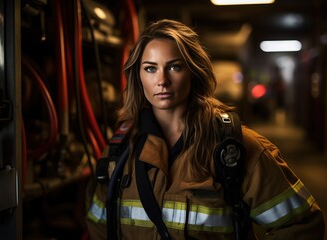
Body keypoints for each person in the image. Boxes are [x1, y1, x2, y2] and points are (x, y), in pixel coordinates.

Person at [85, 19, 324, 240]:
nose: (162, 80)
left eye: (174, 67)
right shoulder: (120, 149)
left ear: (193, 72)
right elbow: (98, 227)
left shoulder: (234, 149)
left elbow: (303, 225)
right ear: (138, 76)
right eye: (150, 68)